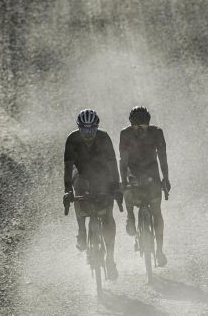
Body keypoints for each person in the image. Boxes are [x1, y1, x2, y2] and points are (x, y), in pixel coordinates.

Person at [63, 109, 123, 280]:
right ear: (79, 128)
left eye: (91, 130)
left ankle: (110, 259)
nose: (88, 134)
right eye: (84, 130)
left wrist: (115, 187)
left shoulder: (104, 138)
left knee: (107, 215)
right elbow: (67, 169)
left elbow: (112, 166)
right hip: (80, 172)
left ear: (96, 128)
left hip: (101, 173)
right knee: (78, 189)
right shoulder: (72, 139)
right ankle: (82, 230)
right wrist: (67, 190)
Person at [119, 106, 171, 267]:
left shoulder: (157, 132)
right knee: (128, 192)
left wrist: (166, 178)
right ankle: (130, 217)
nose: (140, 129)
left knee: (156, 210)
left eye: (143, 126)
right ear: (131, 124)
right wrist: (124, 182)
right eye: (136, 126)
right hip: (132, 170)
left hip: (151, 172)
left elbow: (163, 157)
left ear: (149, 123)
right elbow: (123, 161)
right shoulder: (125, 134)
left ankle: (159, 251)